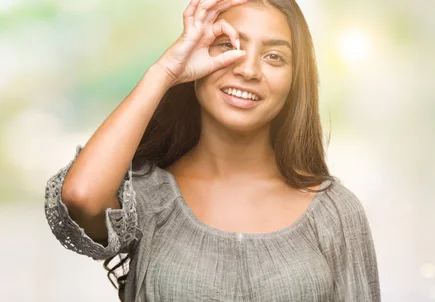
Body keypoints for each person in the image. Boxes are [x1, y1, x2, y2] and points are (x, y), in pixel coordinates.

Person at [44, 0, 380, 301]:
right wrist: (164, 73)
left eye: (274, 56)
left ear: (295, 80)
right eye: (228, 45)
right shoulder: (148, 200)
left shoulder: (334, 212)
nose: (248, 70)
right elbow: (82, 196)